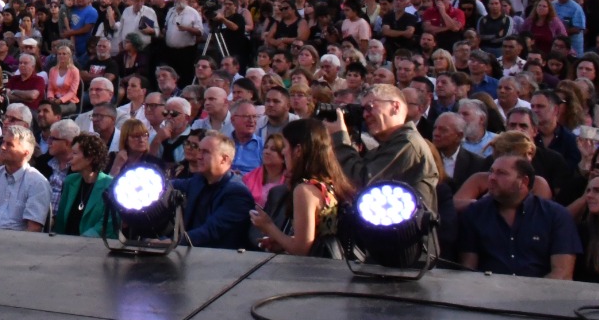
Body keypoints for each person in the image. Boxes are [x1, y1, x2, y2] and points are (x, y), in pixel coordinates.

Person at [457, 154, 580, 279]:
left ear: (524, 181)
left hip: (540, 293)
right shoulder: (475, 212)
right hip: (487, 291)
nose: (492, 178)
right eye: (491, 172)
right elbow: (468, 268)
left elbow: (562, 273)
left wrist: (528, 295)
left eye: (501, 173)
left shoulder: (555, 215)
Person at [328, 84, 441, 217]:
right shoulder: (386, 146)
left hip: (408, 235)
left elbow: (360, 182)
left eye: (369, 107)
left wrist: (339, 138)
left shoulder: (407, 143)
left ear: (395, 107)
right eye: (362, 110)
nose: (365, 115)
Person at [249, 118, 353, 257]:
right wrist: (282, 242)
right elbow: (316, 237)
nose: (284, 152)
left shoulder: (304, 190)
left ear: (298, 150)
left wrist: (268, 226)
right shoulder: (328, 183)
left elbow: (301, 249)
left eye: (285, 146)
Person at [171, 131, 256, 249]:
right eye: (199, 150)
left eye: (205, 152)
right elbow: (170, 185)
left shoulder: (237, 194)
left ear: (224, 159)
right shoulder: (198, 181)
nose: (199, 156)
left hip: (221, 260)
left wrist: (172, 242)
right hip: (192, 253)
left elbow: (211, 231)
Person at [0, 124, 49, 231]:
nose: (2, 147)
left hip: (16, 244)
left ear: (25, 153)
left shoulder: (37, 183)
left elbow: (33, 230)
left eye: (9, 144)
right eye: (3, 142)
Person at [54, 132, 114, 238]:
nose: (69, 157)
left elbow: (108, 223)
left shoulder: (110, 185)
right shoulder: (70, 181)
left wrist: (82, 240)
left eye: (75, 153)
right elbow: (61, 221)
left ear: (90, 158)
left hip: (94, 248)